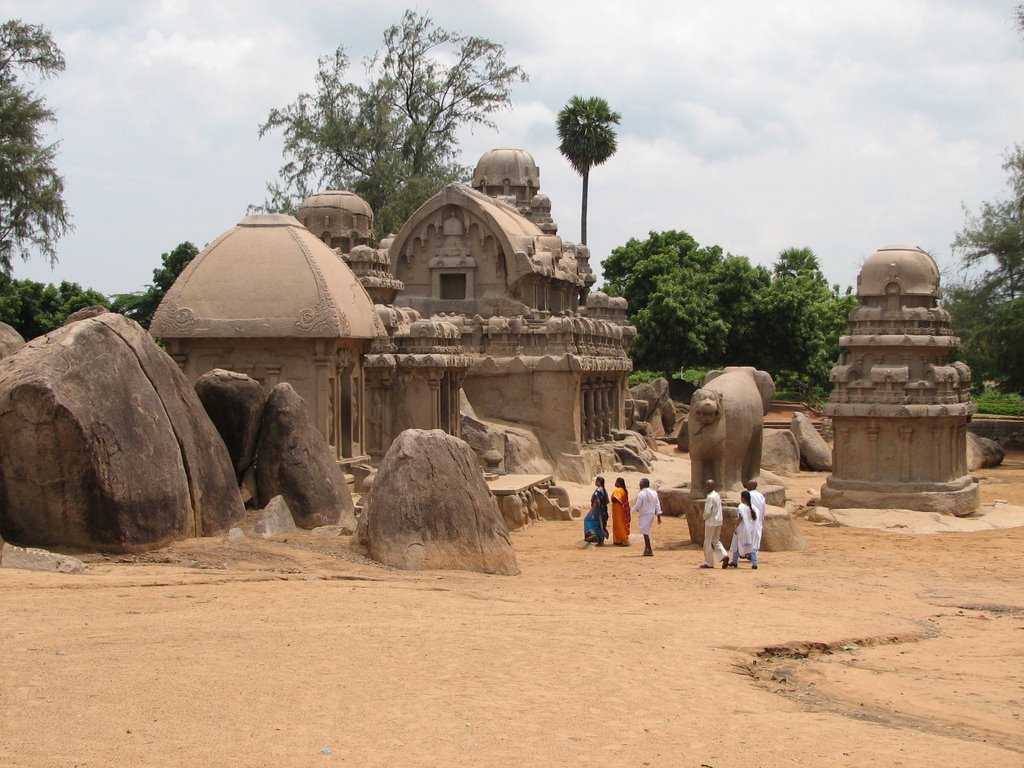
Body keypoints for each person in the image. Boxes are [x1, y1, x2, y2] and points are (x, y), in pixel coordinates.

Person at [700, 479, 729, 569]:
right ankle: (724, 555)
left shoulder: (710, 497)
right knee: (716, 540)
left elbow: (707, 511)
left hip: (711, 522)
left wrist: (704, 517)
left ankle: (709, 562)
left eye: (708, 486)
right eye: (706, 486)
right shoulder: (717, 495)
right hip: (718, 520)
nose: (707, 487)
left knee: (707, 542)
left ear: (713, 486)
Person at [728, 490, 759, 569]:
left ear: (743, 498)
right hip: (751, 529)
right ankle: (754, 563)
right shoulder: (754, 507)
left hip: (743, 529)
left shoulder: (742, 506)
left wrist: (735, 526)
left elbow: (740, 518)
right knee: (751, 546)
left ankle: (735, 561)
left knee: (737, 543)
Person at [633, 477, 662, 556]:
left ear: (642, 484)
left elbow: (638, 506)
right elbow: (657, 504)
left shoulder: (641, 493)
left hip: (645, 515)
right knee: (645, 531)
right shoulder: (654, 493)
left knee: (645, 532)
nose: (639, 485)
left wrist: (630, 511)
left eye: (640, 483)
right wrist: (658, 515)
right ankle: (647, 549)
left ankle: (649, 549)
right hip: (651, 514)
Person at [746, 479, 766, 564]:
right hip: (758, 519)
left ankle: (751, 555)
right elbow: (763, 508)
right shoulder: (760, 495)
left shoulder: (748, 495)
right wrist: (762, 519)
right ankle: (753, 554)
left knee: (749, 537)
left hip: (749, 519)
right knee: (756, 538)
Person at [611, 477, 631, 545]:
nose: (615, 483)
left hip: (618, 509)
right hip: (621, 509)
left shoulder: (618, 490)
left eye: (616, 482)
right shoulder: (624, 490)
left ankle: (624, 539)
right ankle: (618, 540)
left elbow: (615, 499)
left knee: (619, 524)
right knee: (621, 523)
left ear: (619, 483)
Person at [591, 476, 610, 544]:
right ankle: (601, 540)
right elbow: (607, 501)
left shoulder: (598, 491)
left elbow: (596, 502)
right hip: (604, 511)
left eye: (596, 481)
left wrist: (593, 511)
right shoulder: (605, 491)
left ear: (599, 482)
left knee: (597, 525)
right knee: (602, 524)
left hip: (598, 511)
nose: (595, 482)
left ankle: (600, 540)